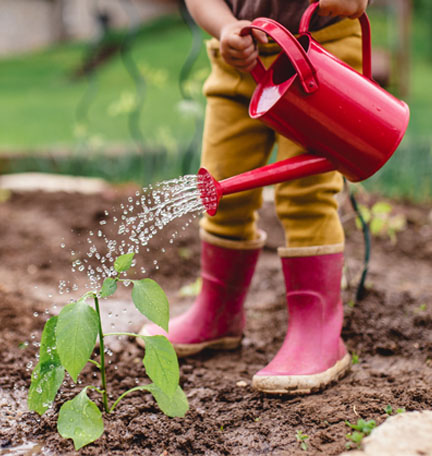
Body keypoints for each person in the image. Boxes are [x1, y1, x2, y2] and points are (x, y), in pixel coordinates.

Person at [140, 0, 369, 394]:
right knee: (221, 188)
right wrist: (226, 26)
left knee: (306, 194)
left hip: (319, 53)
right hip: (238, 59)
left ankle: (318, 330)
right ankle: (217, 312)